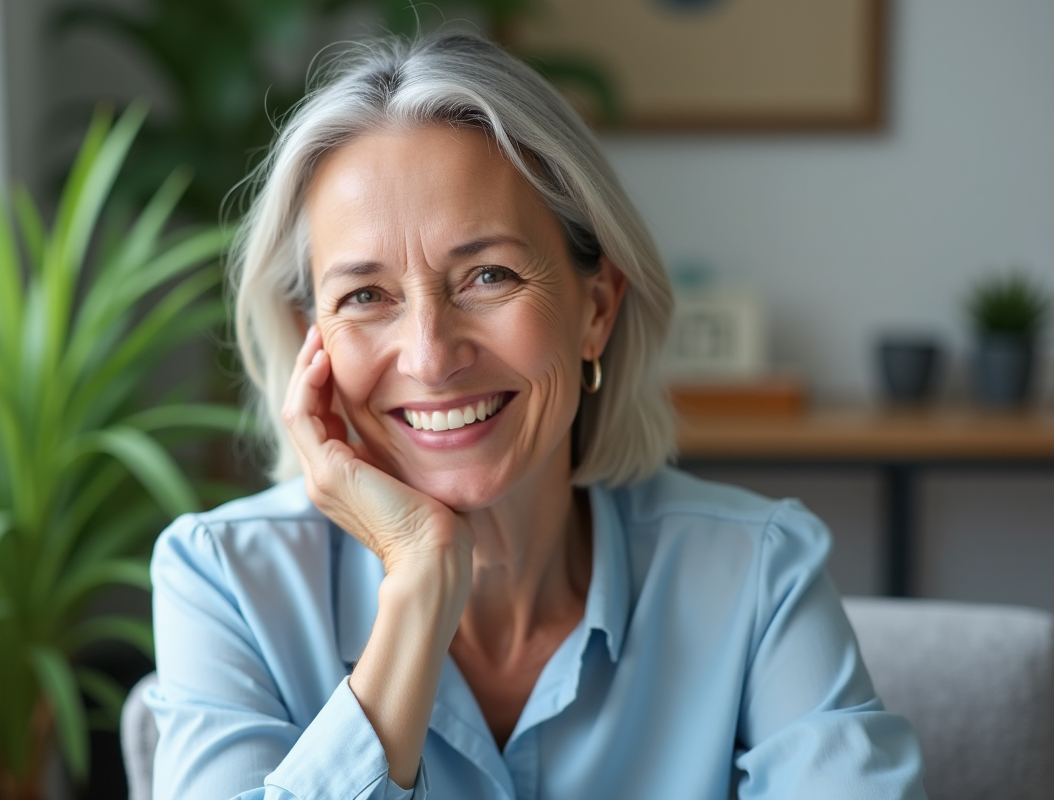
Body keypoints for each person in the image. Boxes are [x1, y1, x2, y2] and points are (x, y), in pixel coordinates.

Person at [147, 31, 927, 800]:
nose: (429, 356)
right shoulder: (225, 583)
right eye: (365, 296)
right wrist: (421, 585)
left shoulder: (758, 574)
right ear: (307, 340)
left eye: (488, 275)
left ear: (595, 308)